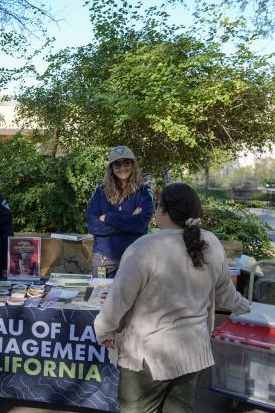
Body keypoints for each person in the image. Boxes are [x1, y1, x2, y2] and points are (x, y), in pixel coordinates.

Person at [94, 183, 251, 413]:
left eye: (158, 206)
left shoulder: (144, 247)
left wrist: (103, 331)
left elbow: (118, 300)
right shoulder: (212, 243)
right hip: (193, 352)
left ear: (163, 211)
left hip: (148, 356)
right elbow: (226, 294)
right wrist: (247, 307)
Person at [86, 146, 154, 278]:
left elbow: (140, 224)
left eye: (126, 163)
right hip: (103, 259)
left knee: (132, 298)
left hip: (133, 257)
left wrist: (109, 218)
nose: (122, 168)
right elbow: (92, 224)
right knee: (97, 296)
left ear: (133, 165)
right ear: (111, 167)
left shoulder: (143, 192)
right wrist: (129, 220)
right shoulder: (101, 192)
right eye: (117, 164)